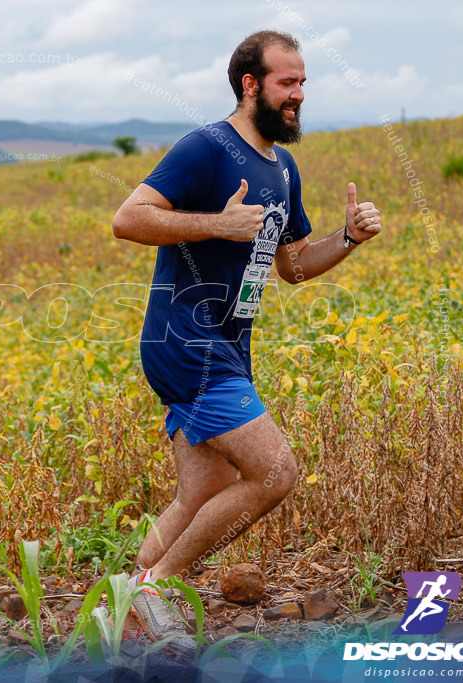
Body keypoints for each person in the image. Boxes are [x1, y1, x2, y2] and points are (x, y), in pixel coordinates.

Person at [112, 30, 382, 651]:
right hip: (186, 339)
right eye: (288, 83)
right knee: (276, 472)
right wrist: (217, 224)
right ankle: (156, 590)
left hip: (228, 345)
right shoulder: (206, 148)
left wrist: (348, 238)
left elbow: (290, 265)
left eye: (304, 83)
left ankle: (122, 612)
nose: (299, 96)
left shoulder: (282, 167)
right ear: (251, 85)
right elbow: (128, 218)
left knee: (201, 492)